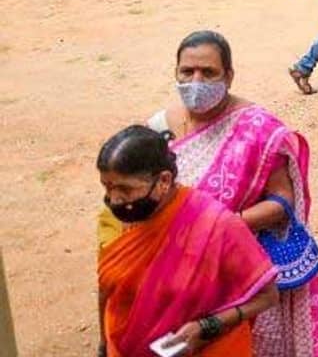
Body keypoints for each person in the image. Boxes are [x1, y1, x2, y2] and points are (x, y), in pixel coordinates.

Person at [144, 31, 318, 357]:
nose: (196, 80)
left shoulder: (256, 127)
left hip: (248, 272)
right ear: (176, 72)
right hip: (182, 271)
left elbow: (282, 203)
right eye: (187, 72)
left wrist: (221, 225)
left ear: (229, 75)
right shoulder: (158, 127)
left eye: (208, 73)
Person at [97, 125, 280, 357]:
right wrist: (103, 346)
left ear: (164, 180)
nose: (115, 199)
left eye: (125, 189)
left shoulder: (216, 226)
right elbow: (108, 290)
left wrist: (208, 327)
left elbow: (268, 295)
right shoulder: (115, 219)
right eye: (107, 187)